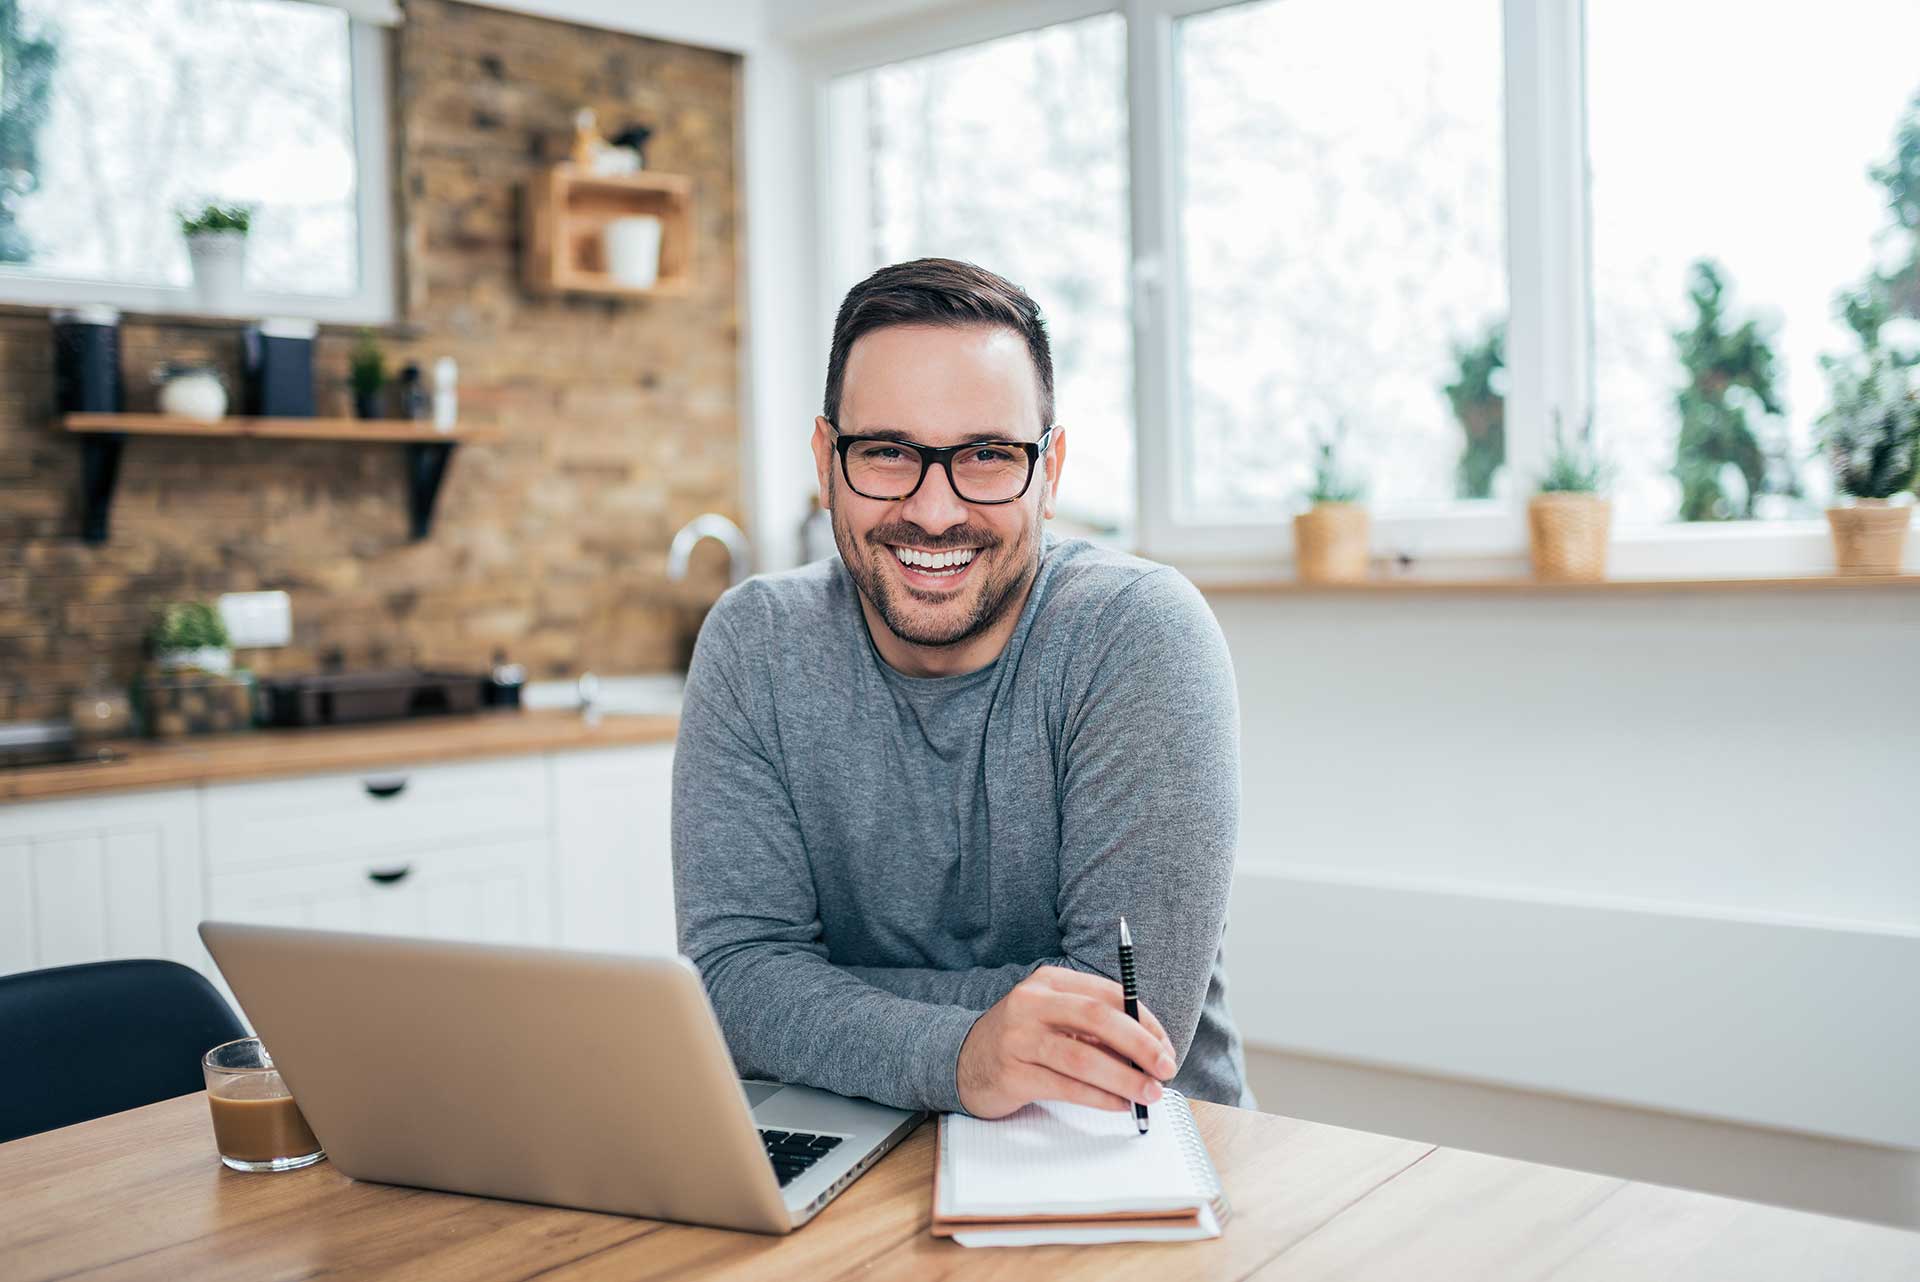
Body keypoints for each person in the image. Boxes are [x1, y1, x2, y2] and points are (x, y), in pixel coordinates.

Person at [673, 257, 1248, 1118]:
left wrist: (814, 998)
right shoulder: (754, 644)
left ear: (1049, 473)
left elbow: (1118, 1021)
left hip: (1126, 1159)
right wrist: (966, 1053)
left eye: (986, 455)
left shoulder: (1138, 632)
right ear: (828, 461)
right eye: (887, 452)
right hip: (852, 1154)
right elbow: (730, 981)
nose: (935, 512)